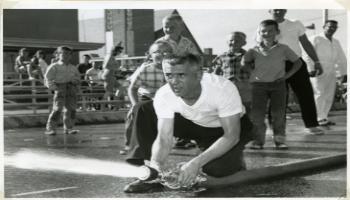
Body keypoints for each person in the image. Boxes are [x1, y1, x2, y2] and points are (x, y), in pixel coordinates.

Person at [124, 54, 254, 193]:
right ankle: (151, 175)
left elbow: (231, 136)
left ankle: (234, 159)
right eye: (169, 75)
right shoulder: (164, 94)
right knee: (142, 108)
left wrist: (195, 164)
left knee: (215, 171)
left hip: (225, 130)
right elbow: (164, 137)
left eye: (181, 75)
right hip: (194, 122)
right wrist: (156, 166)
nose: (174, 81)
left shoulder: (221, 88)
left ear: (198, 75)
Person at [241, 20, 302, 150]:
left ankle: (279, 141)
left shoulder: (283, 48)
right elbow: (244, 63)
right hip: (258, 86)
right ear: (259, 32)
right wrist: (252, 72)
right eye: (263, 31)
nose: (267, 33)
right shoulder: (253, 50)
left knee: (278, 115)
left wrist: (286, 76)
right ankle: (258, 141)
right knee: (257, 115)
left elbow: (298, 63)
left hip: (278, 86)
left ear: (277, 32)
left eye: (270, 31)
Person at [269, 9, 325, 135]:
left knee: (306, 94)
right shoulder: (264, 25)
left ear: (285, 10)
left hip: (296, 63)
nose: (278, 11)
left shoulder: (296, 24)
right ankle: (276, 129)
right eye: (275, 9)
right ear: (269, 10)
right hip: (276, 65)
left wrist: (316, 61)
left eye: (281, 9)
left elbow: (305, 43)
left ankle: (311, 125)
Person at [121, 40, 174, 155]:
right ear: (151, 55)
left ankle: (167, 142)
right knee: (133, 116)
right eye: (157, 52)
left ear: (171, 54)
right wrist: (135, 106)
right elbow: (132, 89)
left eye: (166, 52)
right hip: (147, 97)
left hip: (166, 100)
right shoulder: (145, 70)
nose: (161, 54)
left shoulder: (174, 70)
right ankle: (129, 144)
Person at [305, 20, 347, 126]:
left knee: (329, 95)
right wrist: (311, 68)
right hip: (318, 68)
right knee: (319, 93)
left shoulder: (336, 41)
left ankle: (324, 117)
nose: (332, 29)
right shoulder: (315, 38)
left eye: (334, 27)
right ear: (324, 27)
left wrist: (343, 72)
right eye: (329, 26)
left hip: (331, 70)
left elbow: (341, 58)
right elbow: (307, 54)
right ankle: (317, 118)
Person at [213, 31, 252, 114]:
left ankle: (246, 125)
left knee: (246, 111)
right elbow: (216, 73)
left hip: (244, 88)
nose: (233, 42)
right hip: (228, 88)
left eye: (237, 41)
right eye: (231, 40)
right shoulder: (222, 56)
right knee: (229, 111)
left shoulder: (249, 56)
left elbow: (255, 72)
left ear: (244, 43)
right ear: (227, 42)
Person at [44, 46, 80, 135]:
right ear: (58, 55)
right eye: (63, 53)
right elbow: (48, 78)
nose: (66, 56)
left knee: (71, 109)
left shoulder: (73, 67)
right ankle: (51, 128)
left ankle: (69, 128)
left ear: (71, 55)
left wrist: (76, 82)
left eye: (68, 54)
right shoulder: (54, 66)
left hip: (71, 87)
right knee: (57, 109)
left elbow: (78, 77)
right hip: (60, 87)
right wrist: (53, 87)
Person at [101, 43, 123, 110]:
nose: (120, 53)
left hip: (111, 76)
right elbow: (105, 66)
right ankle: (102, 108)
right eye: (119, 51)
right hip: (108, 76)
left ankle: (115, 105)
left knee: (120, 88)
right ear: (115, 51)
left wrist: (117, 69)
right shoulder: (109, 56)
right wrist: (115, 68)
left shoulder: (112, 56)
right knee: (108, 92)